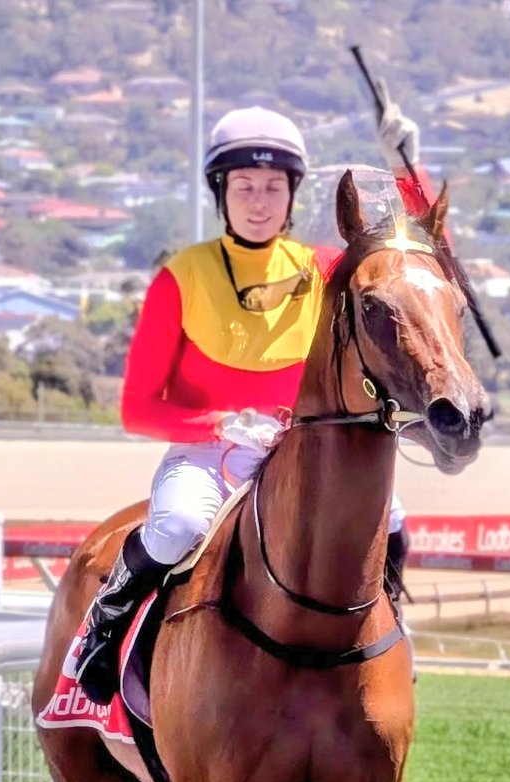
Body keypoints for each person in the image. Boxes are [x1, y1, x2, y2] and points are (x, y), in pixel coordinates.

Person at [74, 100, 429, 703]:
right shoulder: (180, 278)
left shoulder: (322, 270)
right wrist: (217, 425)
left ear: (291, 196)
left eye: (272, 186)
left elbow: (407, 250)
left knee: (389, 517)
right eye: (245, 186)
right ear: (222, 192)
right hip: (206, 457)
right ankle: (103, 628)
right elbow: (137, 408)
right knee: (178, 524)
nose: (259, 201)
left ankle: (391, 623)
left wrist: (406, 167)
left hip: (301, 455)